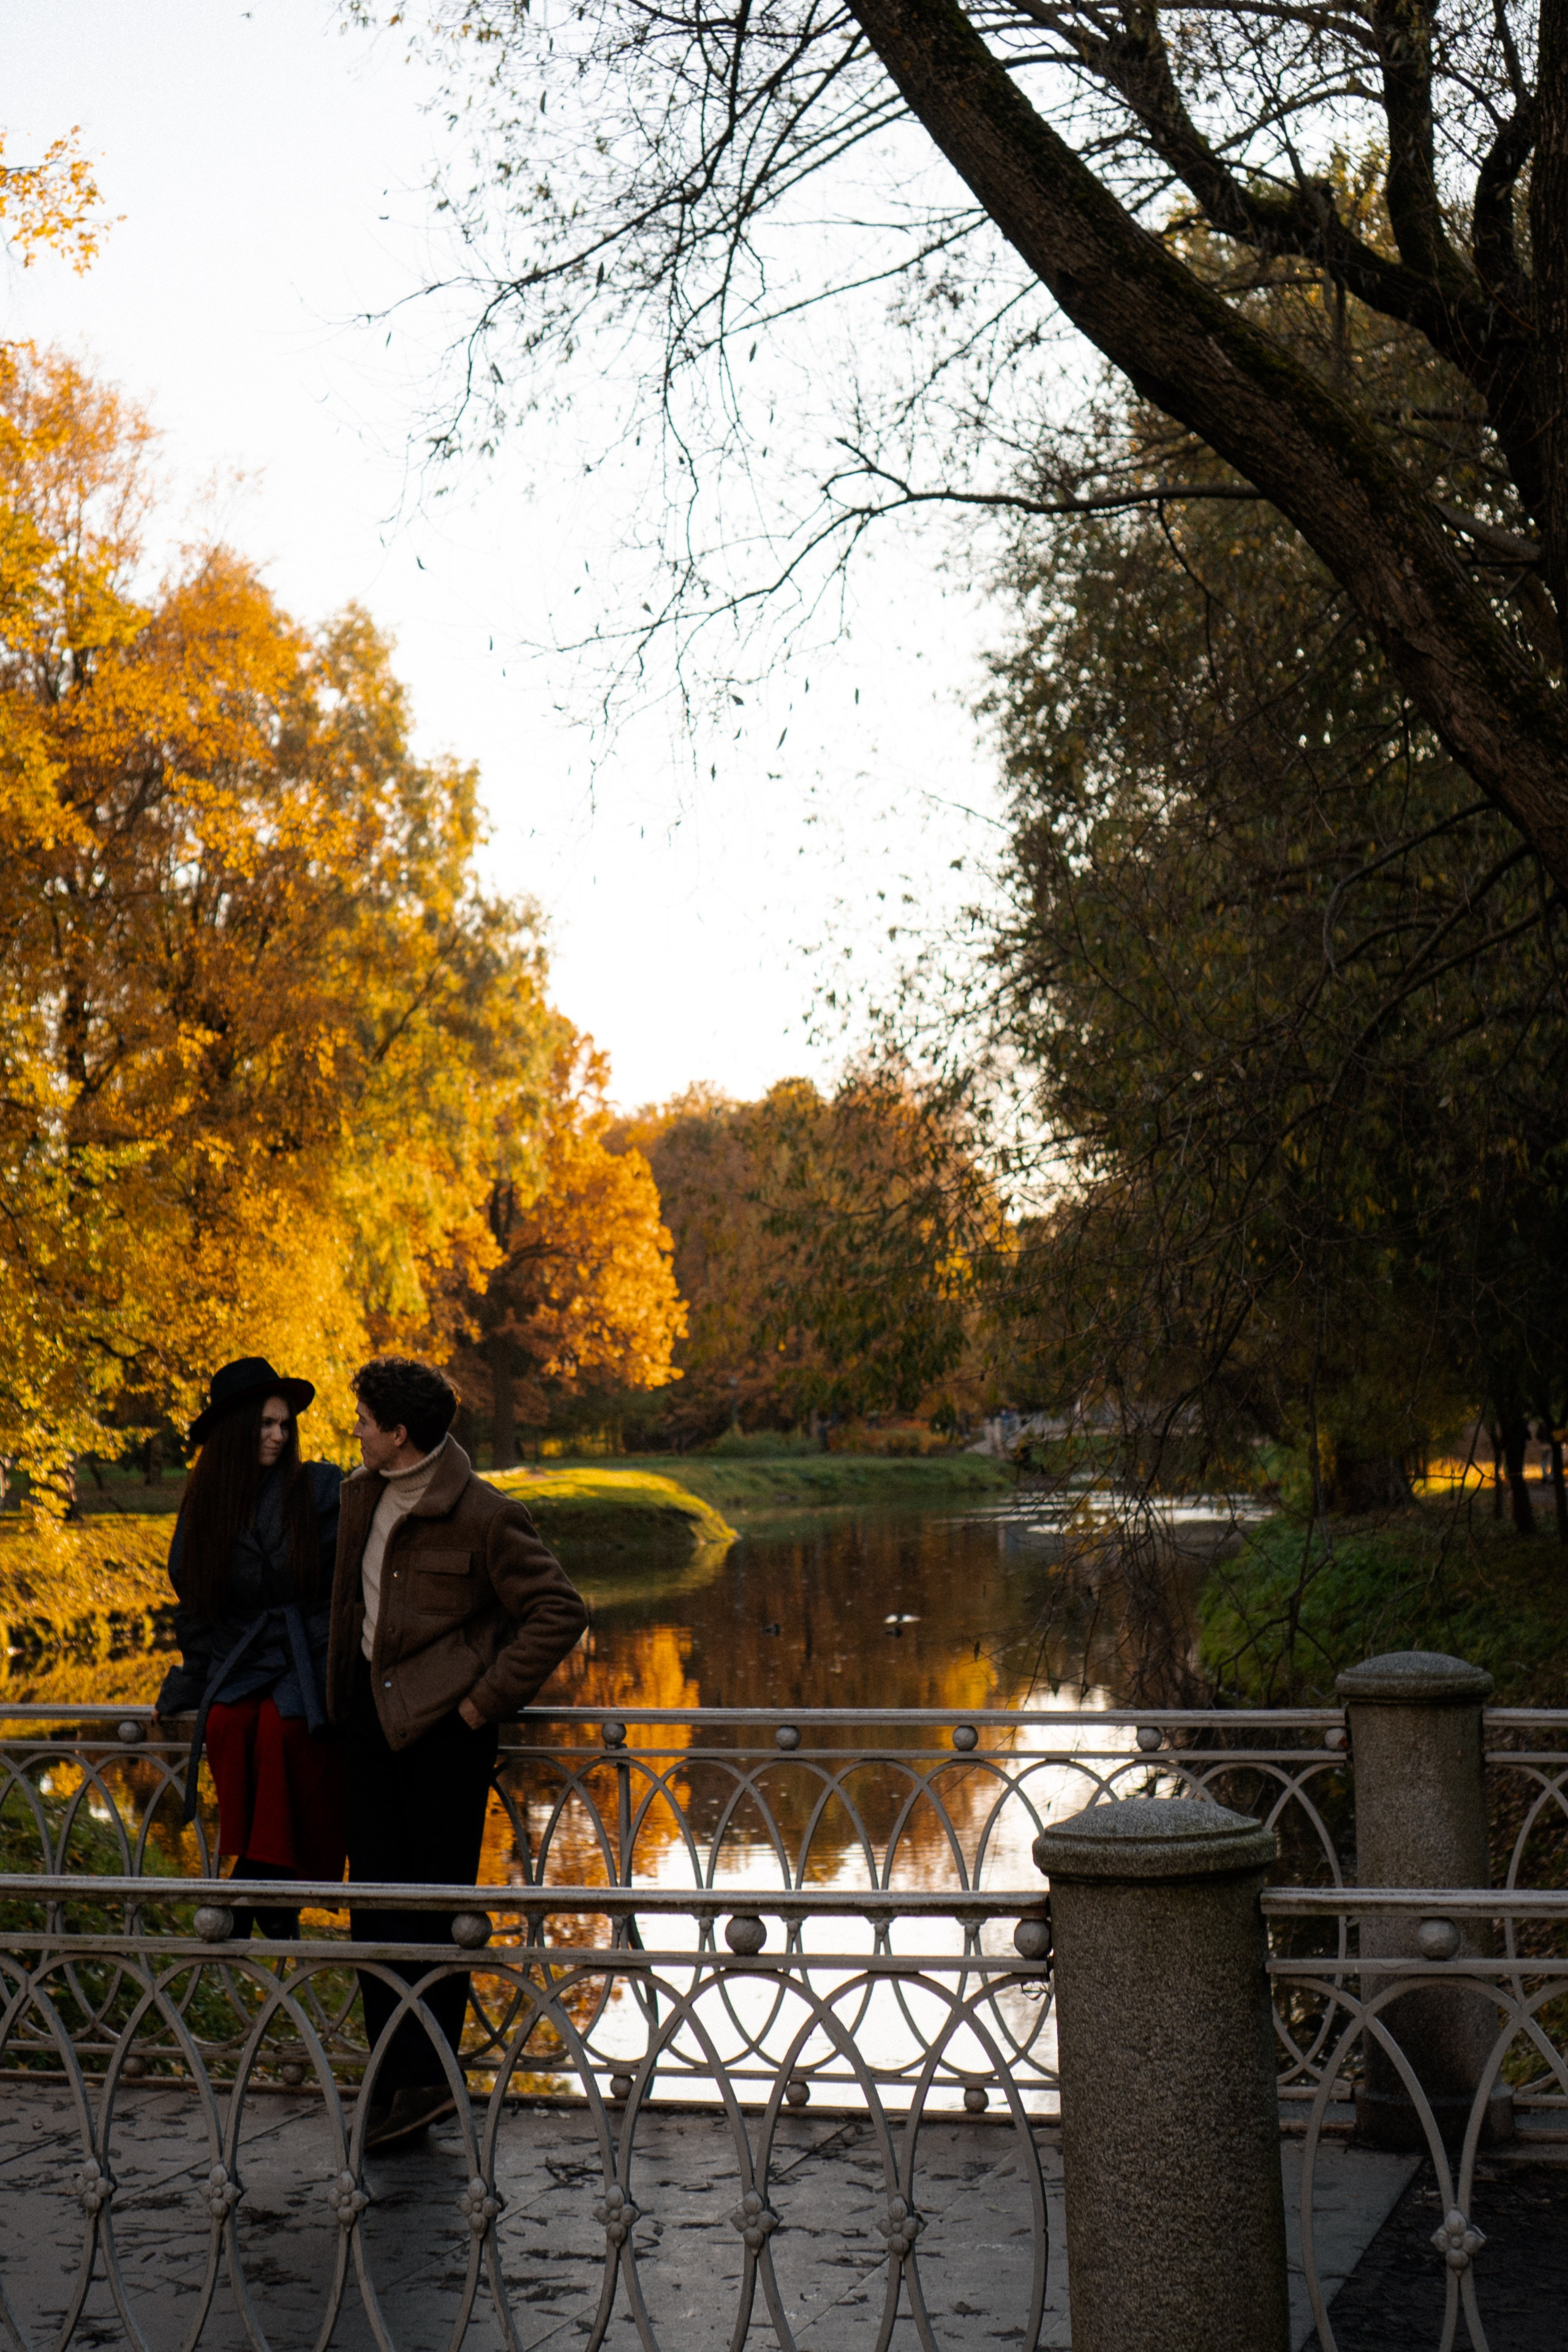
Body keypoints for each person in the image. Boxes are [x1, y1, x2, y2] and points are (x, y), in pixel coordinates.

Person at [328, 1354, 587, 2153]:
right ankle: (388, 2080)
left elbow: (557, 1610)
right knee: (374, 1910)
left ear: (400, 1434)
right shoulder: (356, 1497)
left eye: (367, 1420)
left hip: (445, 1738)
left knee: (433, 1911)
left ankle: (433, 2081)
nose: (358, 1430)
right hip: (366, 1735)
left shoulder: (483, 1514)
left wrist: (481, 1703)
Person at [154, 1357, 344, 1937]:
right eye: (265, 1424)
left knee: (287, 1727)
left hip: (309, 1646)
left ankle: (262, 1877)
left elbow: (346, 1582)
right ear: (237, 1430)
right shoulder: (208, 1503)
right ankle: (269, 1883)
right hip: (243, 1649)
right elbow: (196, 1599)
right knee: (230, 1724)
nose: (278, 1435)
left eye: (284, 1425)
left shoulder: (317, 1487)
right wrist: (196, 1676)